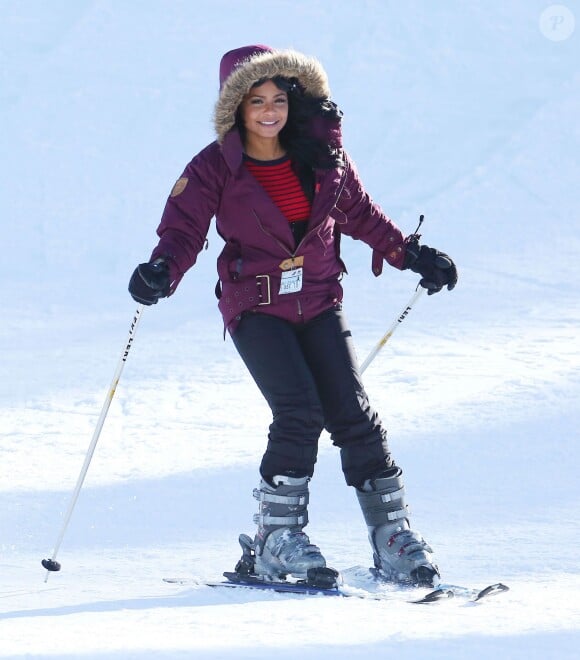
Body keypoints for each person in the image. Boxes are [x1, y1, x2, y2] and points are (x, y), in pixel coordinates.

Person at [128, 45, 457, 587]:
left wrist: (411, 255)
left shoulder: (320, 156)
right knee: (300, 410)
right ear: (235, 106)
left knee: (352, 413)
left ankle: (392, 537)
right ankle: (275, 540)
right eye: (255, 100)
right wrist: (162, 269)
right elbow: (185, 228)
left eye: (278, 98)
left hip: (321, 298)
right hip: (256, 306)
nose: (268, 111)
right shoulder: (214, 167)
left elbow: (361, 215)